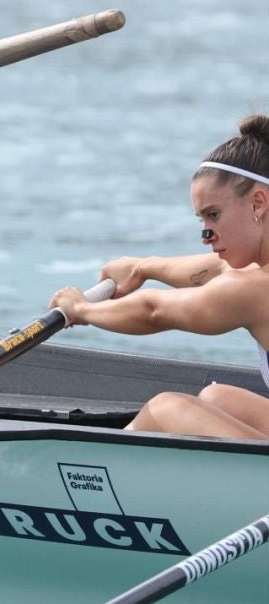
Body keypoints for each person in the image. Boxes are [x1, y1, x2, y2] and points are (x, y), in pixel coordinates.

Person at [50, 114, 269, 440]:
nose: (207, 234)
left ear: (258, 202)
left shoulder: (253, 289)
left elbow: (154, 311)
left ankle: (90, 477)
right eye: (201, 220)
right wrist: (142, 268)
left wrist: (81, 310)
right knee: (216, 398)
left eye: (213, 215)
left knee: (165, 408)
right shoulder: (254, 274)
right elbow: (214, 269)